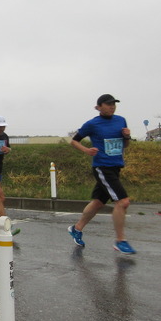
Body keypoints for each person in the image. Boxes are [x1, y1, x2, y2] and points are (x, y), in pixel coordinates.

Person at [67, 94, 136, 254]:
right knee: (122, 202)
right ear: (98, 107)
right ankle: (120, 241)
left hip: (116, 167)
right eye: (108, 104)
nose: (112, 106)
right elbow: (74, 140)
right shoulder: (92, 124)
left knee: (98, 202)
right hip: (102, 167)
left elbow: (125, 145)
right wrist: (87, 150)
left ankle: (76, 229)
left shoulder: (121, 120)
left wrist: (127, 136)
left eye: (113, 104)